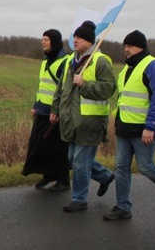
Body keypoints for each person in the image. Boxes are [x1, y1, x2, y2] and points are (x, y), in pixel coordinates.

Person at [104, 30, 155, 220]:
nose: (126, 49)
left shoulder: (152, 66)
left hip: (143, 130)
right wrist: (117, 121)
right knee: (121, 167)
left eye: (129, 45)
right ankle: (123, 207)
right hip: (124, 128)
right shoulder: (126, 69)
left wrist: (151, 126)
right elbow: (124, 99)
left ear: (141, 46)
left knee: (146, 167)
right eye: (125, 46)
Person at [52, 21, 117, 212]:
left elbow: (109, 89)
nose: (75, 40)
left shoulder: (100, 61)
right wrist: (55, 110)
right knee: (73, 159)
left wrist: (85, 84)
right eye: (74, 37)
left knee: (80, 163)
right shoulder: (71, 61)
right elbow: (60, 89)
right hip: (71, 121)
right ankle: (104, 176)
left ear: (89, 40)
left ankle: (79, 199)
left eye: (79, 37)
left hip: (90, 122)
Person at [22, 29, 71, 191]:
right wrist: (36, 106)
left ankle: (63, 180)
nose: (43, 42)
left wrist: (56, 111)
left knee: (58, 148)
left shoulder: (64, 62)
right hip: (43, 111)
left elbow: (63, 90)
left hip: (55, 112)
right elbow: (42, 87)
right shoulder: (44, 61)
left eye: (46, 40)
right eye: (42, 39)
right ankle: (48, 175)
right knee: (40, 145)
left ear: (55, 42)